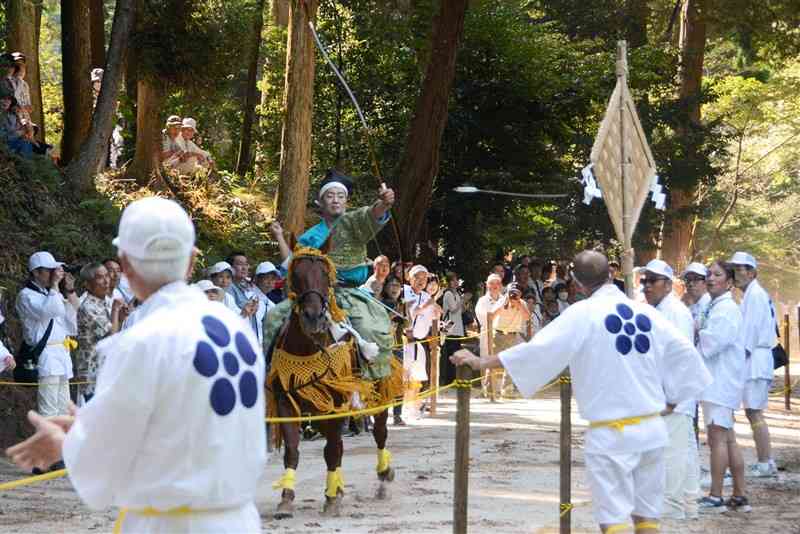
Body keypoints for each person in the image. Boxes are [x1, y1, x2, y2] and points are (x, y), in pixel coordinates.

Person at [7, 197, 267, 533]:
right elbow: (183, 414)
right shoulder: (235, 329)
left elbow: (109, 458)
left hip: (173, 522)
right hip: (239, 518)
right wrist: (89, 423)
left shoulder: (143, 341)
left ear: (125, 264)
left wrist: (67, 444)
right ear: (191, 261)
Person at [452, 251, 711, 534]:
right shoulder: (647, 313)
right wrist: (673, 398)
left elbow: (538, 350)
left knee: (614, 519)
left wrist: (482, 361)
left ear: (575, 281)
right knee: (647, 517)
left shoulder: (583, 314)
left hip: (612, 434)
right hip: (651, 428)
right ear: (610, 275)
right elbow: (686, 354)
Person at [266, 170, 396, 384]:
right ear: (320, 201)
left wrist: (383, 204)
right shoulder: (309, 236)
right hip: (313, 294)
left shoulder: (354, 222)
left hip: (349, 293)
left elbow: (371, 215)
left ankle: (370, 383)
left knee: (371, 327)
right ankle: (270, 375)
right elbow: (293, 265)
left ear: (346, 201)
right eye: (330, 195)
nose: (335, 200)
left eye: (340, 196)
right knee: (272, 318)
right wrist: (280, 237)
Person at [641, 259, 701, 520]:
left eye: (652, 281)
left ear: (667, 284)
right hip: (669, 394)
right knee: (684, 450)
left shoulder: (674, 312)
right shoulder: (660, 309)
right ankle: (689, 504)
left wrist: (671, 398)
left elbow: (681, 358)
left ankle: (673, 506)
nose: (647, 286)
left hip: (674, 395)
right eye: (644, 281)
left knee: (673, 453)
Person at [696, 260, 750, 513]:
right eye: (708, 274)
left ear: (729, 282)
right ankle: (739, 493)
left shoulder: (726, 309)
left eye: (717, 274)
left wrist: (696, 330)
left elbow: (715, 342)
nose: (710, 278)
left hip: (721, 381)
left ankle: (715, 494)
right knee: (728, 439)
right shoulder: (714, 305)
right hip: (718, 380)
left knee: (716, 437)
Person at [728, 251, 778, 478]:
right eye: (734, 270)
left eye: (740, 269)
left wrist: (737, 362)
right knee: (752, 411)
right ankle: (765, 460)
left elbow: (749, 333)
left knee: (755, 412)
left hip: (755, 359)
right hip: (756, 359)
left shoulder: (755, 295)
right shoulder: (752, 294)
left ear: (752, 272)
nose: (736, 274)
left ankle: (766, 461)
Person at [16, 252, 79, 426]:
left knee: (65, 409)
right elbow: (49, 311)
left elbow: (71, 321)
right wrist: (55, 287)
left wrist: (69, 290)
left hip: (61, 353)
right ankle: (48, 451)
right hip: (45, 355)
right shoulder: (26, 295)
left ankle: (62, 450)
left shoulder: (52, 293)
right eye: (50, 270)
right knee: (49, 410)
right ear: (36, 272)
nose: (54, 274)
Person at [75, 263, 125, 404]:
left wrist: (119, 318)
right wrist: (115, 311)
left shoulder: (102, 302)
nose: (106, 281)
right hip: (94, 374)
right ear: (88, 284)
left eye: (107, 276)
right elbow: (111, 335)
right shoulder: (88, 307)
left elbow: (110, 333)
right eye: (100, 278)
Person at [402, 265, 439, 420]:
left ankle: (413, 407)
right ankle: (401, 408)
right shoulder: (404, 291)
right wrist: (426, 305)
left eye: (424, 278)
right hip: (405, 340)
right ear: (410, 278)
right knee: (404, 376)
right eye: (418, 277)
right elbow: (410, 311)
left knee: (417, 377)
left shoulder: (426, 296)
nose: (421, 281)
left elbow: (435, 315)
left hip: (420, 341)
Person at [490, 282, 530, 399]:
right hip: (498, 334)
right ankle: (491, 389)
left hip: (513, 335)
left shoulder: (522, 303)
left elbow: (527, 317)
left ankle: (507, 391)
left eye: (516, 292)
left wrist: (518, 303)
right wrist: (504, 303)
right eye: (512, 292)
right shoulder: (502, 301)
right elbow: (491, 315)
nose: (514, 295)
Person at [380, 274, 406, 425]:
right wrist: (392, 314)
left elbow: (407, 326)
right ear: (386, 287)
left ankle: (397, 414)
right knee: (382, 379)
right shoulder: (380, 302)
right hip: (383, 346)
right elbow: (380, 322)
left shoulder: (402, 303)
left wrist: (404, 314)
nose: (395, 288)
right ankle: (380, 413)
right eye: (392, 285)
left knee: (398, 381)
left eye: (397, 285)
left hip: (398, 345)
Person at [475, 273, 504, 400]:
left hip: (501, 334)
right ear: (487, 285)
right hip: (487, 333)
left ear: (501, 285)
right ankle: (485, 389)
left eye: (497, 283)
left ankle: (498, 389)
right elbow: (483, 318)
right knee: (486, 361)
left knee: (500, 362)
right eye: (491, 283)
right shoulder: (482, 301)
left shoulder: (504, 299)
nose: (494, 286)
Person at [440, 271, 466, 386]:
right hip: (450, 328)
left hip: (457, 328)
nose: (456, 282)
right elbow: (454, 309)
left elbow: (460, 311)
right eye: (453, 280)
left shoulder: (456, 294)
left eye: (456, 280)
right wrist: (463, 300)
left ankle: (454, 378)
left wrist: (463, 303)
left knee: (456, 353)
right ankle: (448, 380)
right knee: (450, 354)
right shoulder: (448, 294)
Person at [226, 252, 259, 338]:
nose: (244, 268)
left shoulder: (247, 287)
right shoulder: (227, 288)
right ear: (231, 268)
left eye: (246, 264)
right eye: (240, 264)